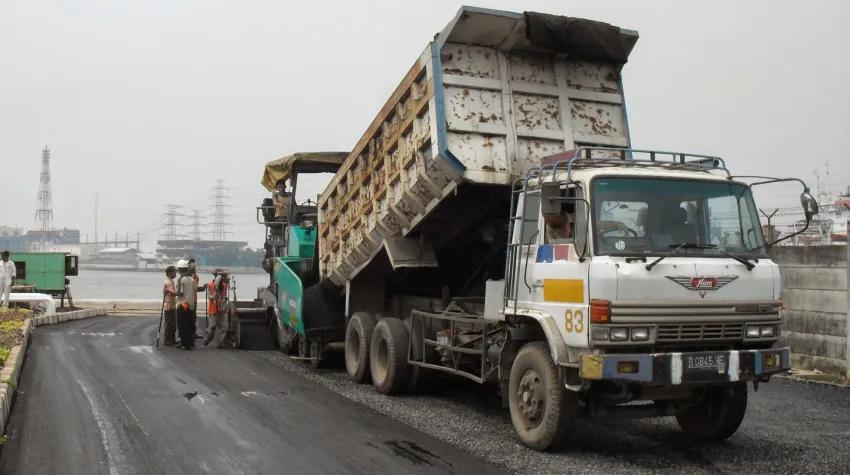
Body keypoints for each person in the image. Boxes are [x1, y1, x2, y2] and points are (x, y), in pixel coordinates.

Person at [203, 268, 230, 348]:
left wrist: (225, 299)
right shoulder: (210, 284)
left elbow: (224, 294)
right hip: (213, 309)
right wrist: (213, 297)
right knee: (213, 326)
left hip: (221, 309)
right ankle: (208, 339)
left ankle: (221, 343)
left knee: (224, 326)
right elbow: (209, 295)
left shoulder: (224, 285)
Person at [175, 260, 197, 350]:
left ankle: (185, 344)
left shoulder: (181, 279)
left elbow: (180, 293)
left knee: (182, 325)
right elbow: (195, 291)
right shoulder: (192, 279)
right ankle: (189, 342)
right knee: (189, 325)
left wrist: (170, 291)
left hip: (182, 305)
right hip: (191, 305)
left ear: (179, 269)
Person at [162, 266, 179, 347]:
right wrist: (179, 293)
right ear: (170, 273)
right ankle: (167, 340)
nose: (175, 274)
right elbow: (173, 293)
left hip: (172, 305)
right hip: (168, 306)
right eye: (174, 272)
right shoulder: (167, 282)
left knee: (173, 324)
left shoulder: (171, 281)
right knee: (169, 324)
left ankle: (172, 339)